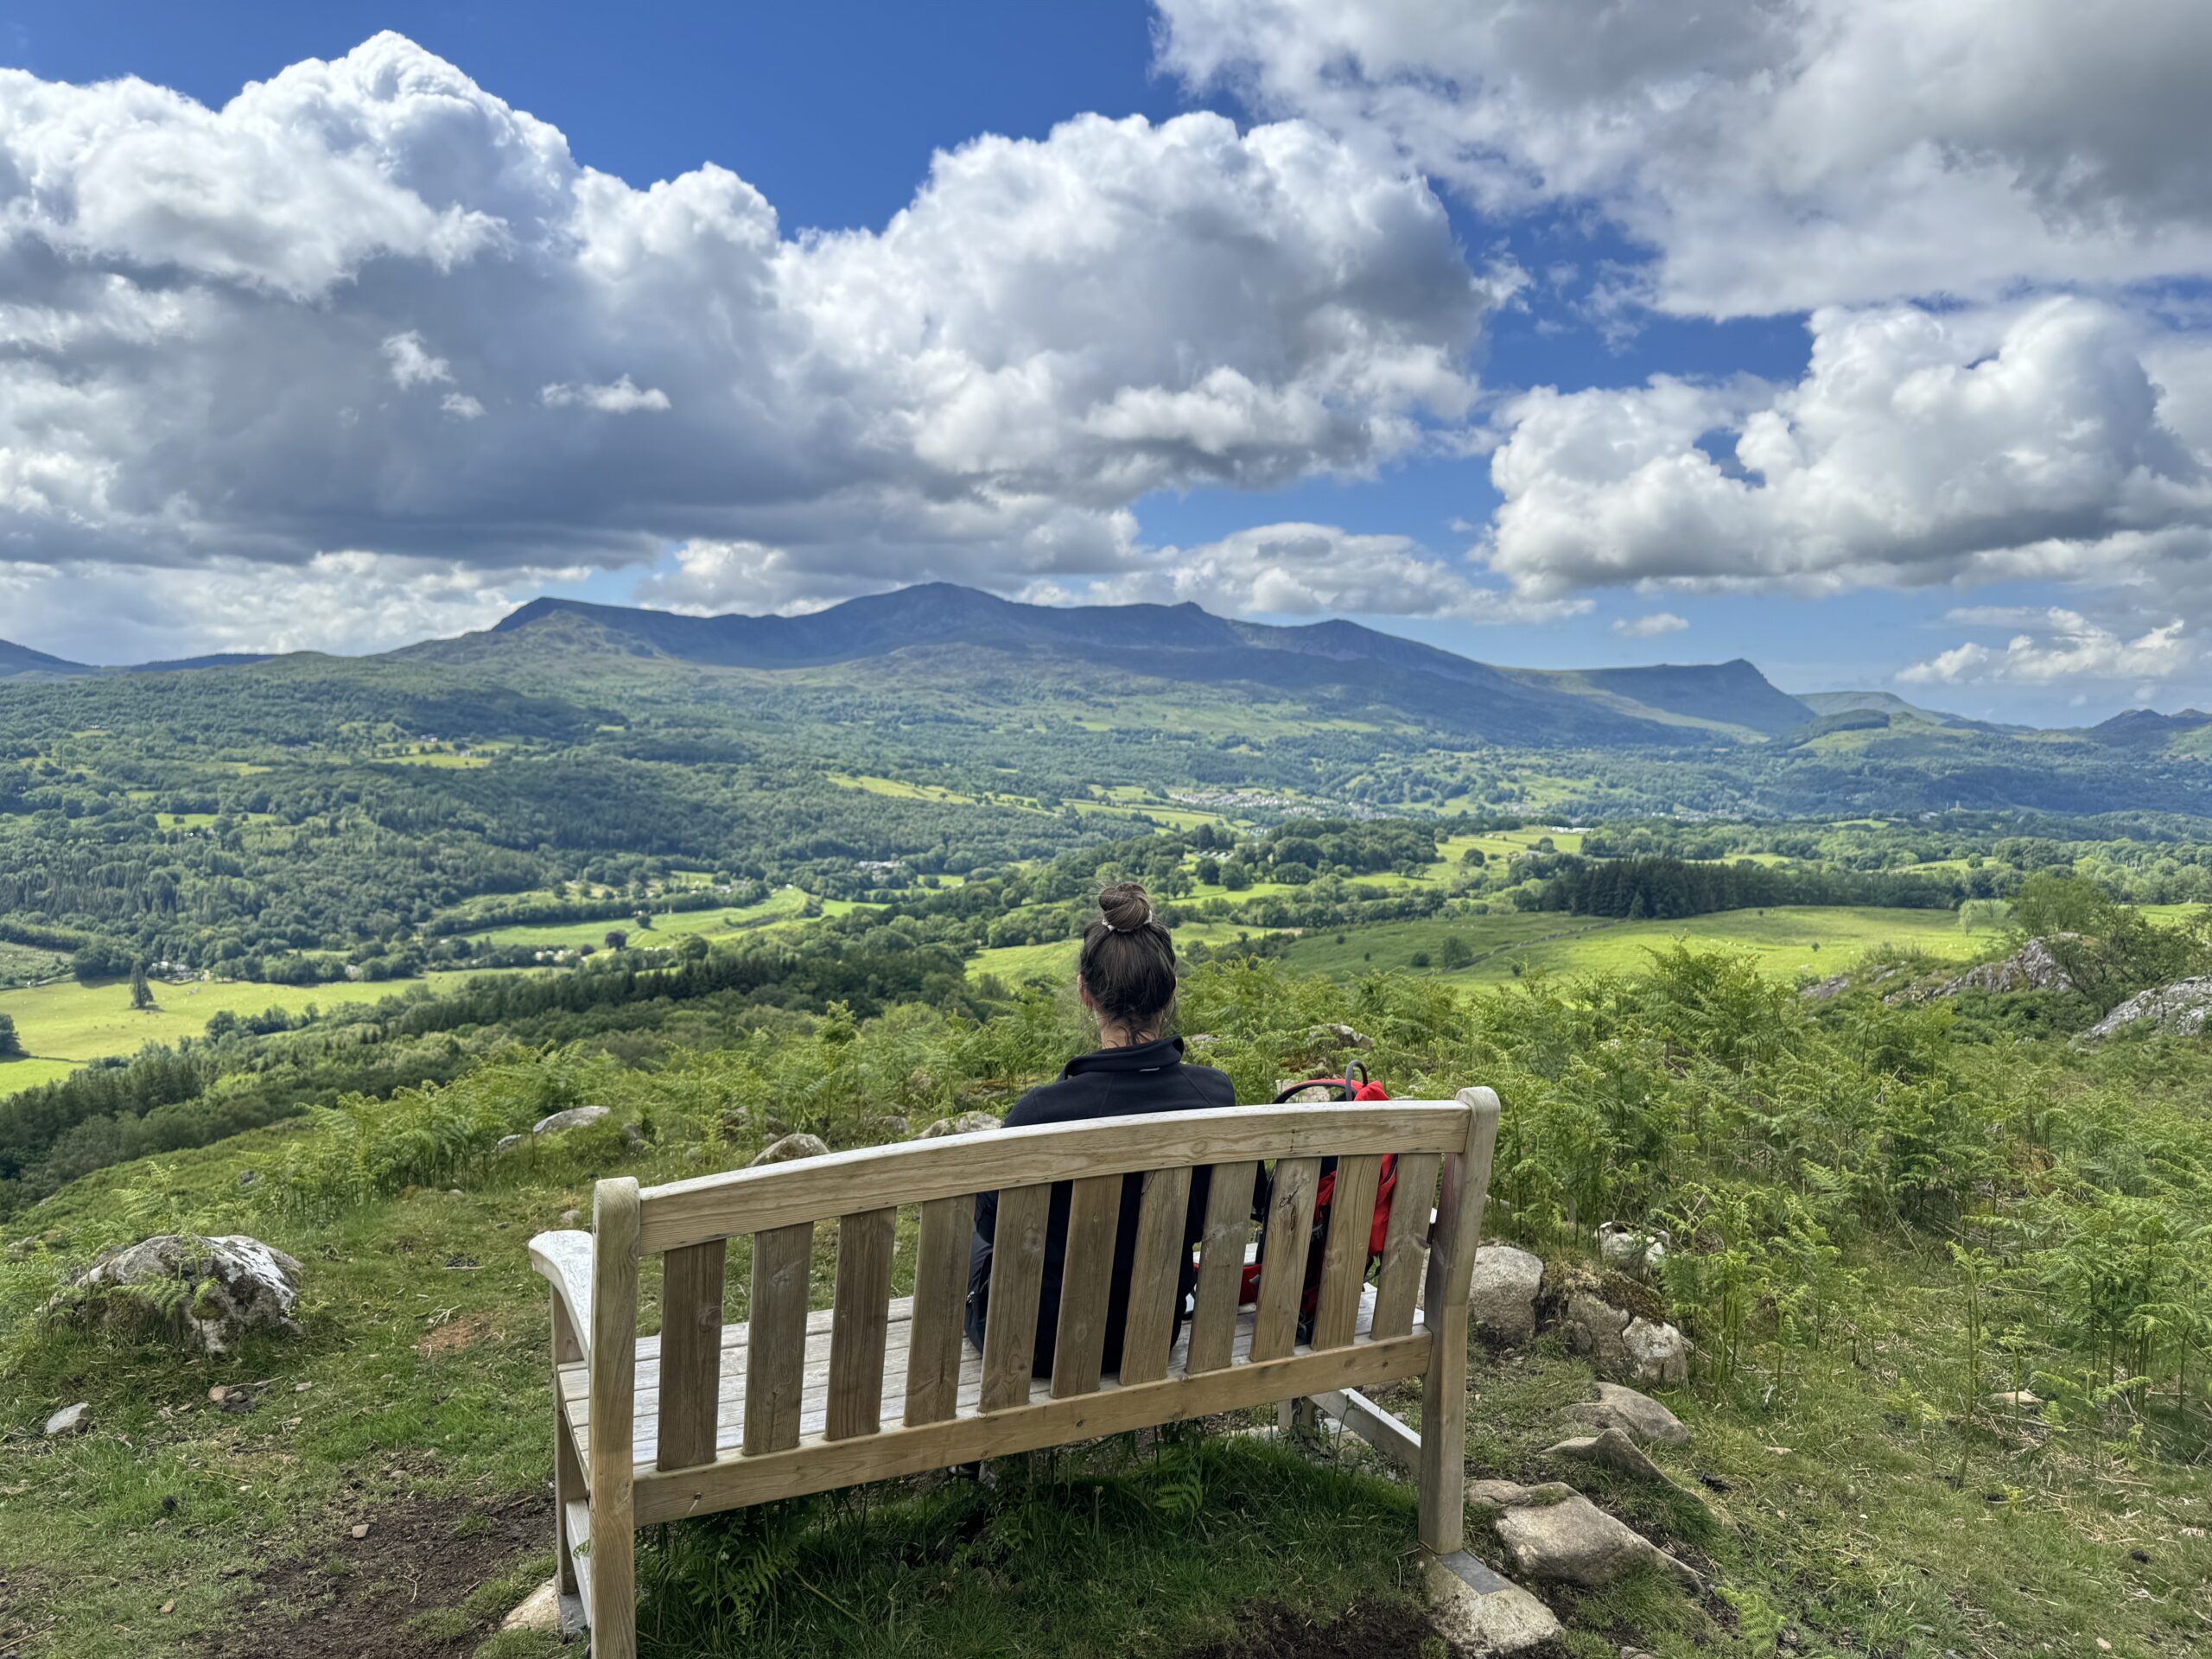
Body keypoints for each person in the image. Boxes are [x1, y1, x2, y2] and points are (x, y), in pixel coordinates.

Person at [964, 880, 1231, 1376]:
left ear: (1086, 994)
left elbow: (990, 1231)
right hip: (1151, 1332)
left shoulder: (1038, 1115)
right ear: (1170, 992)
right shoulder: (1214, 1099)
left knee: (974, 1225)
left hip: (1034, 1341)